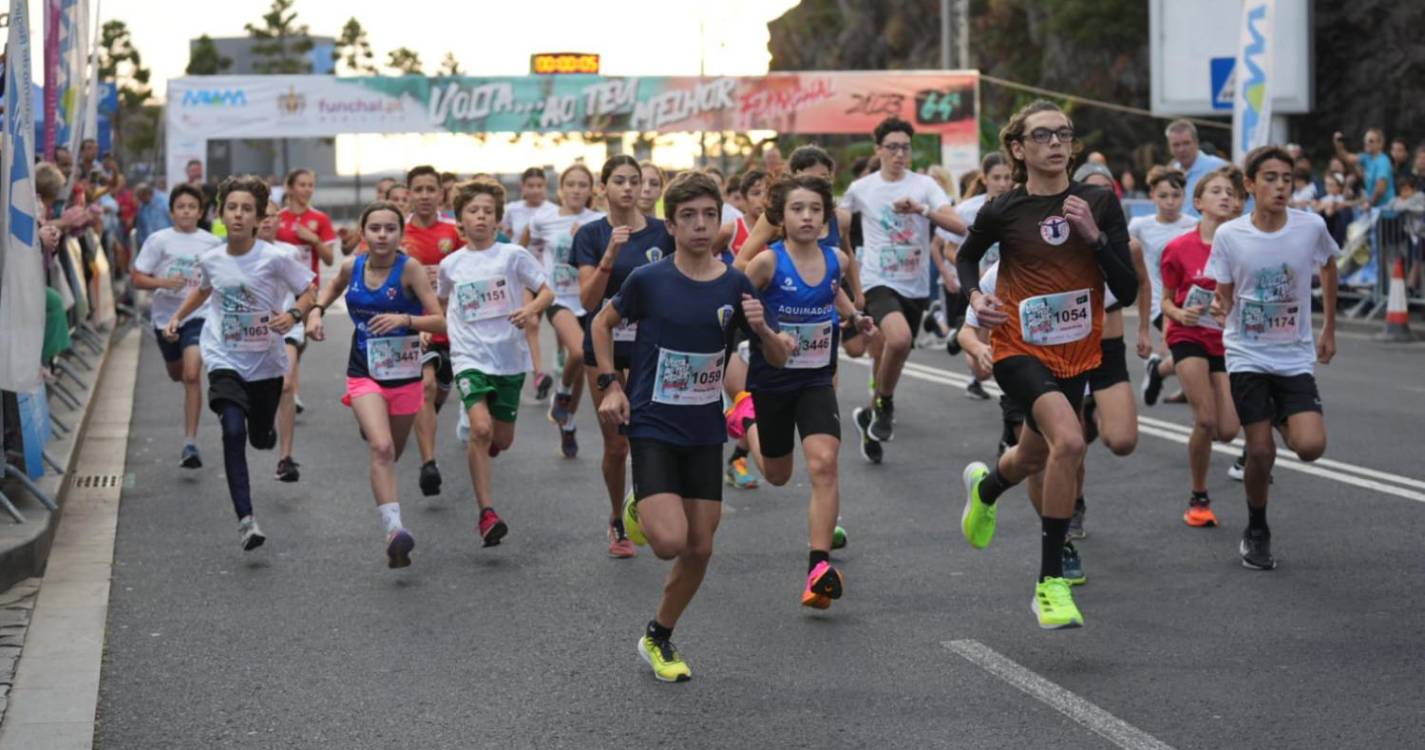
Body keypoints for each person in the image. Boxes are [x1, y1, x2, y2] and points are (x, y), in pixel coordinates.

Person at [591, 171, 792, 682]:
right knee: (668, 543)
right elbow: (600, 323)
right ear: (672, 225)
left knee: (701, 546)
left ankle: (658, 635)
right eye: (688, 216)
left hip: (704, 428)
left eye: (709, 215)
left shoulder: (735, 283)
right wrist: (611, 384)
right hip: (654, 422)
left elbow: (777, 357)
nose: (701, 225)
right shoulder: (649, 281)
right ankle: (640, 504)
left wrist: (764, 327)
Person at [955, 100, 1136, 629]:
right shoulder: (1003, 209)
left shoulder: (1098, 203)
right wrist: (974, 297)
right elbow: (969, 257)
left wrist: (1095, 239)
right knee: (1071, 442)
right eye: (1043, 135)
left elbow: (1124, 288)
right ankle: (1050, 581)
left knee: (1032, 455)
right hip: (1018, 346)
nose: (1056, 143)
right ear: (1019, 147)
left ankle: (986, 489)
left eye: (1064, 134)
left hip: (1078, 350)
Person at [739, 175, 874, 609]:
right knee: (777, 475)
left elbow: (834, 296)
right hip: (772, 380)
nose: (808, 217)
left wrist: (856, 317)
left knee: (824, 463)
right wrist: (762, 331)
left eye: (815, 209)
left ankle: (818, 568)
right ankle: (746, 421)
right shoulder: (766, 263)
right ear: (780, 216)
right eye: (798, 209)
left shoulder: (835, 258)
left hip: (816, 378)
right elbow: (734, 304)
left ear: (825, 215)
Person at [164, 176, 317, 551]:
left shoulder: (277, 258)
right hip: (223, 354)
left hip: (265, 361)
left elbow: (309, 291)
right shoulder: (212, 258)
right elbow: (204, 291)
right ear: (220, 213)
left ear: (258, 216)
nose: (238, 214)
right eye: (232, 207)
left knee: (260, 437)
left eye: (247, 209)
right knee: (232, 430)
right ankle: (246, 520)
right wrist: (178, 318)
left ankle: (265, 432)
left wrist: (294, 315)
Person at [1208, 145, 1339, 570]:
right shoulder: (1230, 235)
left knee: (1311, 447)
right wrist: (1218, 307)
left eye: (1288, 178)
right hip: (1246, 353)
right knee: (1260, 451)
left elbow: (1329, 266)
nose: (1281, 186)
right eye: (1270, 178)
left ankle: (1285, 416)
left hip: (1295, 355)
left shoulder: (1310, 226)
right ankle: (1257, 528)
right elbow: (1223, 293)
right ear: (1250, 184)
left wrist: (1329, 327)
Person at [307, 201, 445, 568]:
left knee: (392, 452)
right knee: (381, 447)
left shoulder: (409, 269)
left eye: (390, 229)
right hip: (363, 369)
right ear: (364, 232)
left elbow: (440, 321)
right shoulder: (353, 266)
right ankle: (394, 530)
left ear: (400, 234)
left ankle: (375, 435)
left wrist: (405, 320)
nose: (382, 235)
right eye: (375, 229)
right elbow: (331, 287)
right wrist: (317, 312)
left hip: (404, 373)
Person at [840, 116, 967, 464]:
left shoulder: (924, 185)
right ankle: (885, 403)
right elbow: (836, 222)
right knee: (897, 340)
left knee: (893, 353)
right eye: (892, 147)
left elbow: (959, 225)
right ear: (878, 150)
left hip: (915, 287)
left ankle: (870, 414)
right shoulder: (861, 189)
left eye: (905, 148)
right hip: (878, 280)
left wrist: (921, 209)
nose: (899, 154)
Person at [438, 179, 554, 548]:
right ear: (460, 220)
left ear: (499, 220)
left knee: (500, 439)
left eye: (488, 211)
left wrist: (531, 308)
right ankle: (487, 513)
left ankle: (483, 448)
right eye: (474, 211)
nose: (481, 217)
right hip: (469, 356)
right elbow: (443, 303)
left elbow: (547, 290)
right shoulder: (450, 264)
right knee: (482, 429)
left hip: (509, 358)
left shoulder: (511, 256)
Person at [1161, 166, 1243, 528]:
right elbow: (1164, 301)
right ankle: (1198, 495)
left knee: (1228, 429)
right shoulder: (1179, 247)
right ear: (1199, 202)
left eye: (1230, 192)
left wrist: (1229, 306)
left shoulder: (1242, 246)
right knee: (1206, 420)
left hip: (1225, 339)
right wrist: (1181, 312)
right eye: (1216, 191)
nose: (1225, 197)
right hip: (1187, 335)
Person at [131, 185, 220, 468]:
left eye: (191, 207)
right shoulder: (159, 240)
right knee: (177, 373)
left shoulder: (211, 243)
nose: (186, 211)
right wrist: (163, 283)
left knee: (193, 375)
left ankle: (190, 443)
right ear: (172, 212)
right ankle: (179, 369)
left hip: (198, 315)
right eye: (180, 206)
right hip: (164, 318)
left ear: (200, 212)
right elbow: (137, 277)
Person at [521, 164, 604, 458]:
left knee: (579, 365)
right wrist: (534, 283)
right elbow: (523, 249)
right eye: (571, 184)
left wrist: (587, 237)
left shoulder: (599, 220)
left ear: (591, 190)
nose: (577, 190)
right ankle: (562, 394)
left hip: (590, 299)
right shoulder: (543, 218)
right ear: (561, 189)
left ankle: (567, 422)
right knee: (580, 353)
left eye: (583, 184)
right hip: (559, 297)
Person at [401, 165, 464, 497]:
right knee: (425, 386)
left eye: (431, 189)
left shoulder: (454, 233)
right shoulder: (398, 234)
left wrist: (444, 272)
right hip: (414, 325)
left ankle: (424, 417)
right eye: (418, 189)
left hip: (452, 326)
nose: (424, 195)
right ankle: (429, 465)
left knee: (437, 392)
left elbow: (473, 267)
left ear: (441, 193)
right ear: (408, 193)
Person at [936, 152, 1014, 399]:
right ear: (984, 178)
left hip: (1010, 288)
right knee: (981, 369)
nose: (1003, 183)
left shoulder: (1020, 206)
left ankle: (1012, 403)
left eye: (1007, 177)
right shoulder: (969, 210)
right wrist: (975, 274)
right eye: (997, 178)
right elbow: (949, 249)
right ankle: (961, 337)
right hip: (977, 289)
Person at [1130, 167, 1197, 406]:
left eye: (1176, 196)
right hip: (1161, 300)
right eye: (1163, 196)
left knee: (1196, 349)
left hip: (1189, 300)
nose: (1170, 202)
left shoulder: (1193, 225)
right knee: (1189, 348)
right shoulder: (1139, 225)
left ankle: (1158, 369)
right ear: (1152, 197)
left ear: (1184, 197)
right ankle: (1163, 372)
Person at [1165, 119, 1228, 217]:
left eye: (1186, 143)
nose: (1181, 149)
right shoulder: (1170, 171)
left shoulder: (1219, 167)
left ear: (1196, 143)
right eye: (1176, 145)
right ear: (1169, 148)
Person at [1332, 129, 1396, 208]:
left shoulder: (1383, 162)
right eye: (1365, 140)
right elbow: (1347, 158)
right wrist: (1338, 145)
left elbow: (1380, 189)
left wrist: (1370, 204)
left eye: (1371, 141)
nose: (1367, 143)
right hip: (1374, 208)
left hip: (1384, 210)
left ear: (1380, 144)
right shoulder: (1367, 157)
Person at [134, 182, 173, 250]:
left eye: (140, 198)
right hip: (151, 246)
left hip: (167, 242)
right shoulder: (142, 207)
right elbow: (140, 228)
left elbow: (173, 220)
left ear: (146, 195)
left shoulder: (165, 202)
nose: (140, 201)